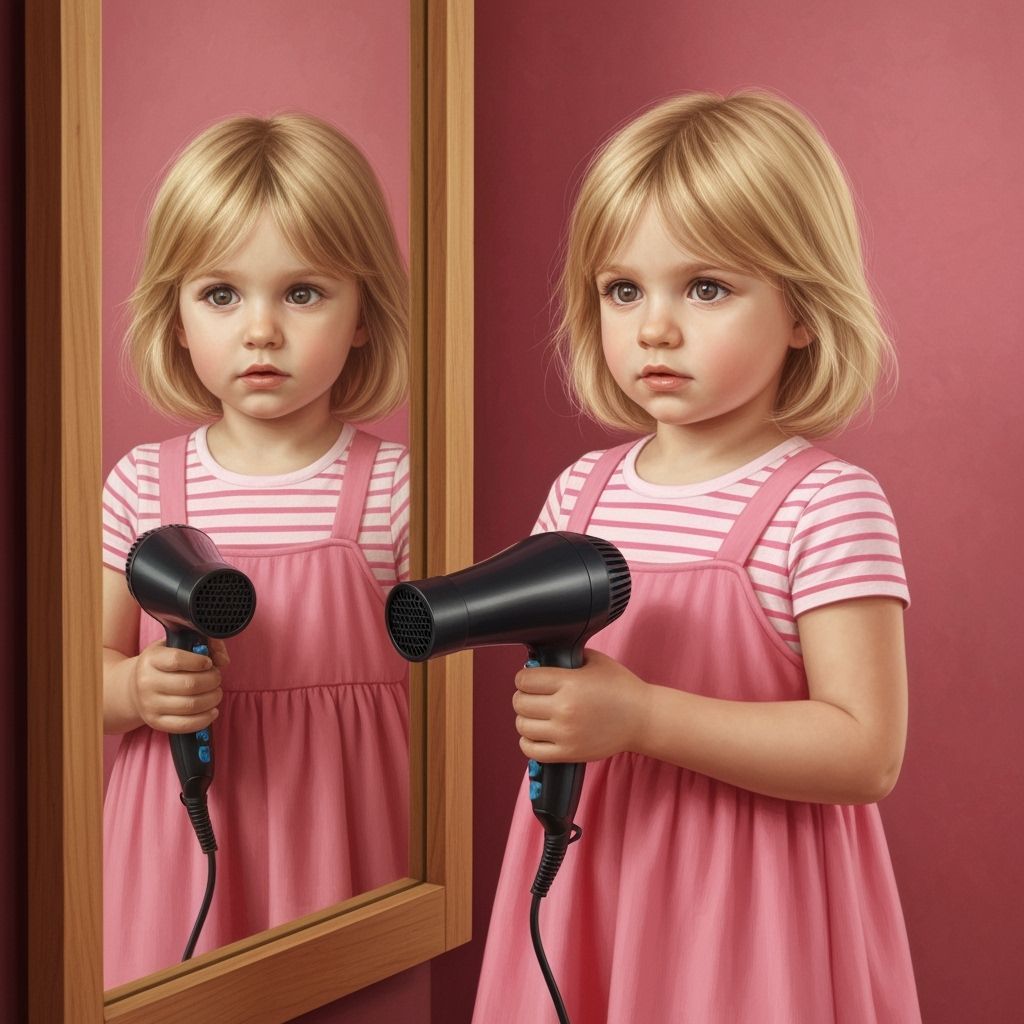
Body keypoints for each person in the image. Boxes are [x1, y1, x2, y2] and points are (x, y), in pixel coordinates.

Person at [472, 91, 921, 1022]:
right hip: (595, 868)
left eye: (705, 288)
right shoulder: (581, 492)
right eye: (622, 290)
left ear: (803, 310)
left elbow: (864, 752)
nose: (655, 328)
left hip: (753, 907)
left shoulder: (824, 505)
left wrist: (639, 716)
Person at [101, 113, 411, 989]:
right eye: (222, 294)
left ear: (362, 315)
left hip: (348, 830)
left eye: (302, 293)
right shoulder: (139, 487)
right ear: (177, 314)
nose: (261, 330)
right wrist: (131, 686)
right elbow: (70, 683)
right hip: (173, 829)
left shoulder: (395, 489)